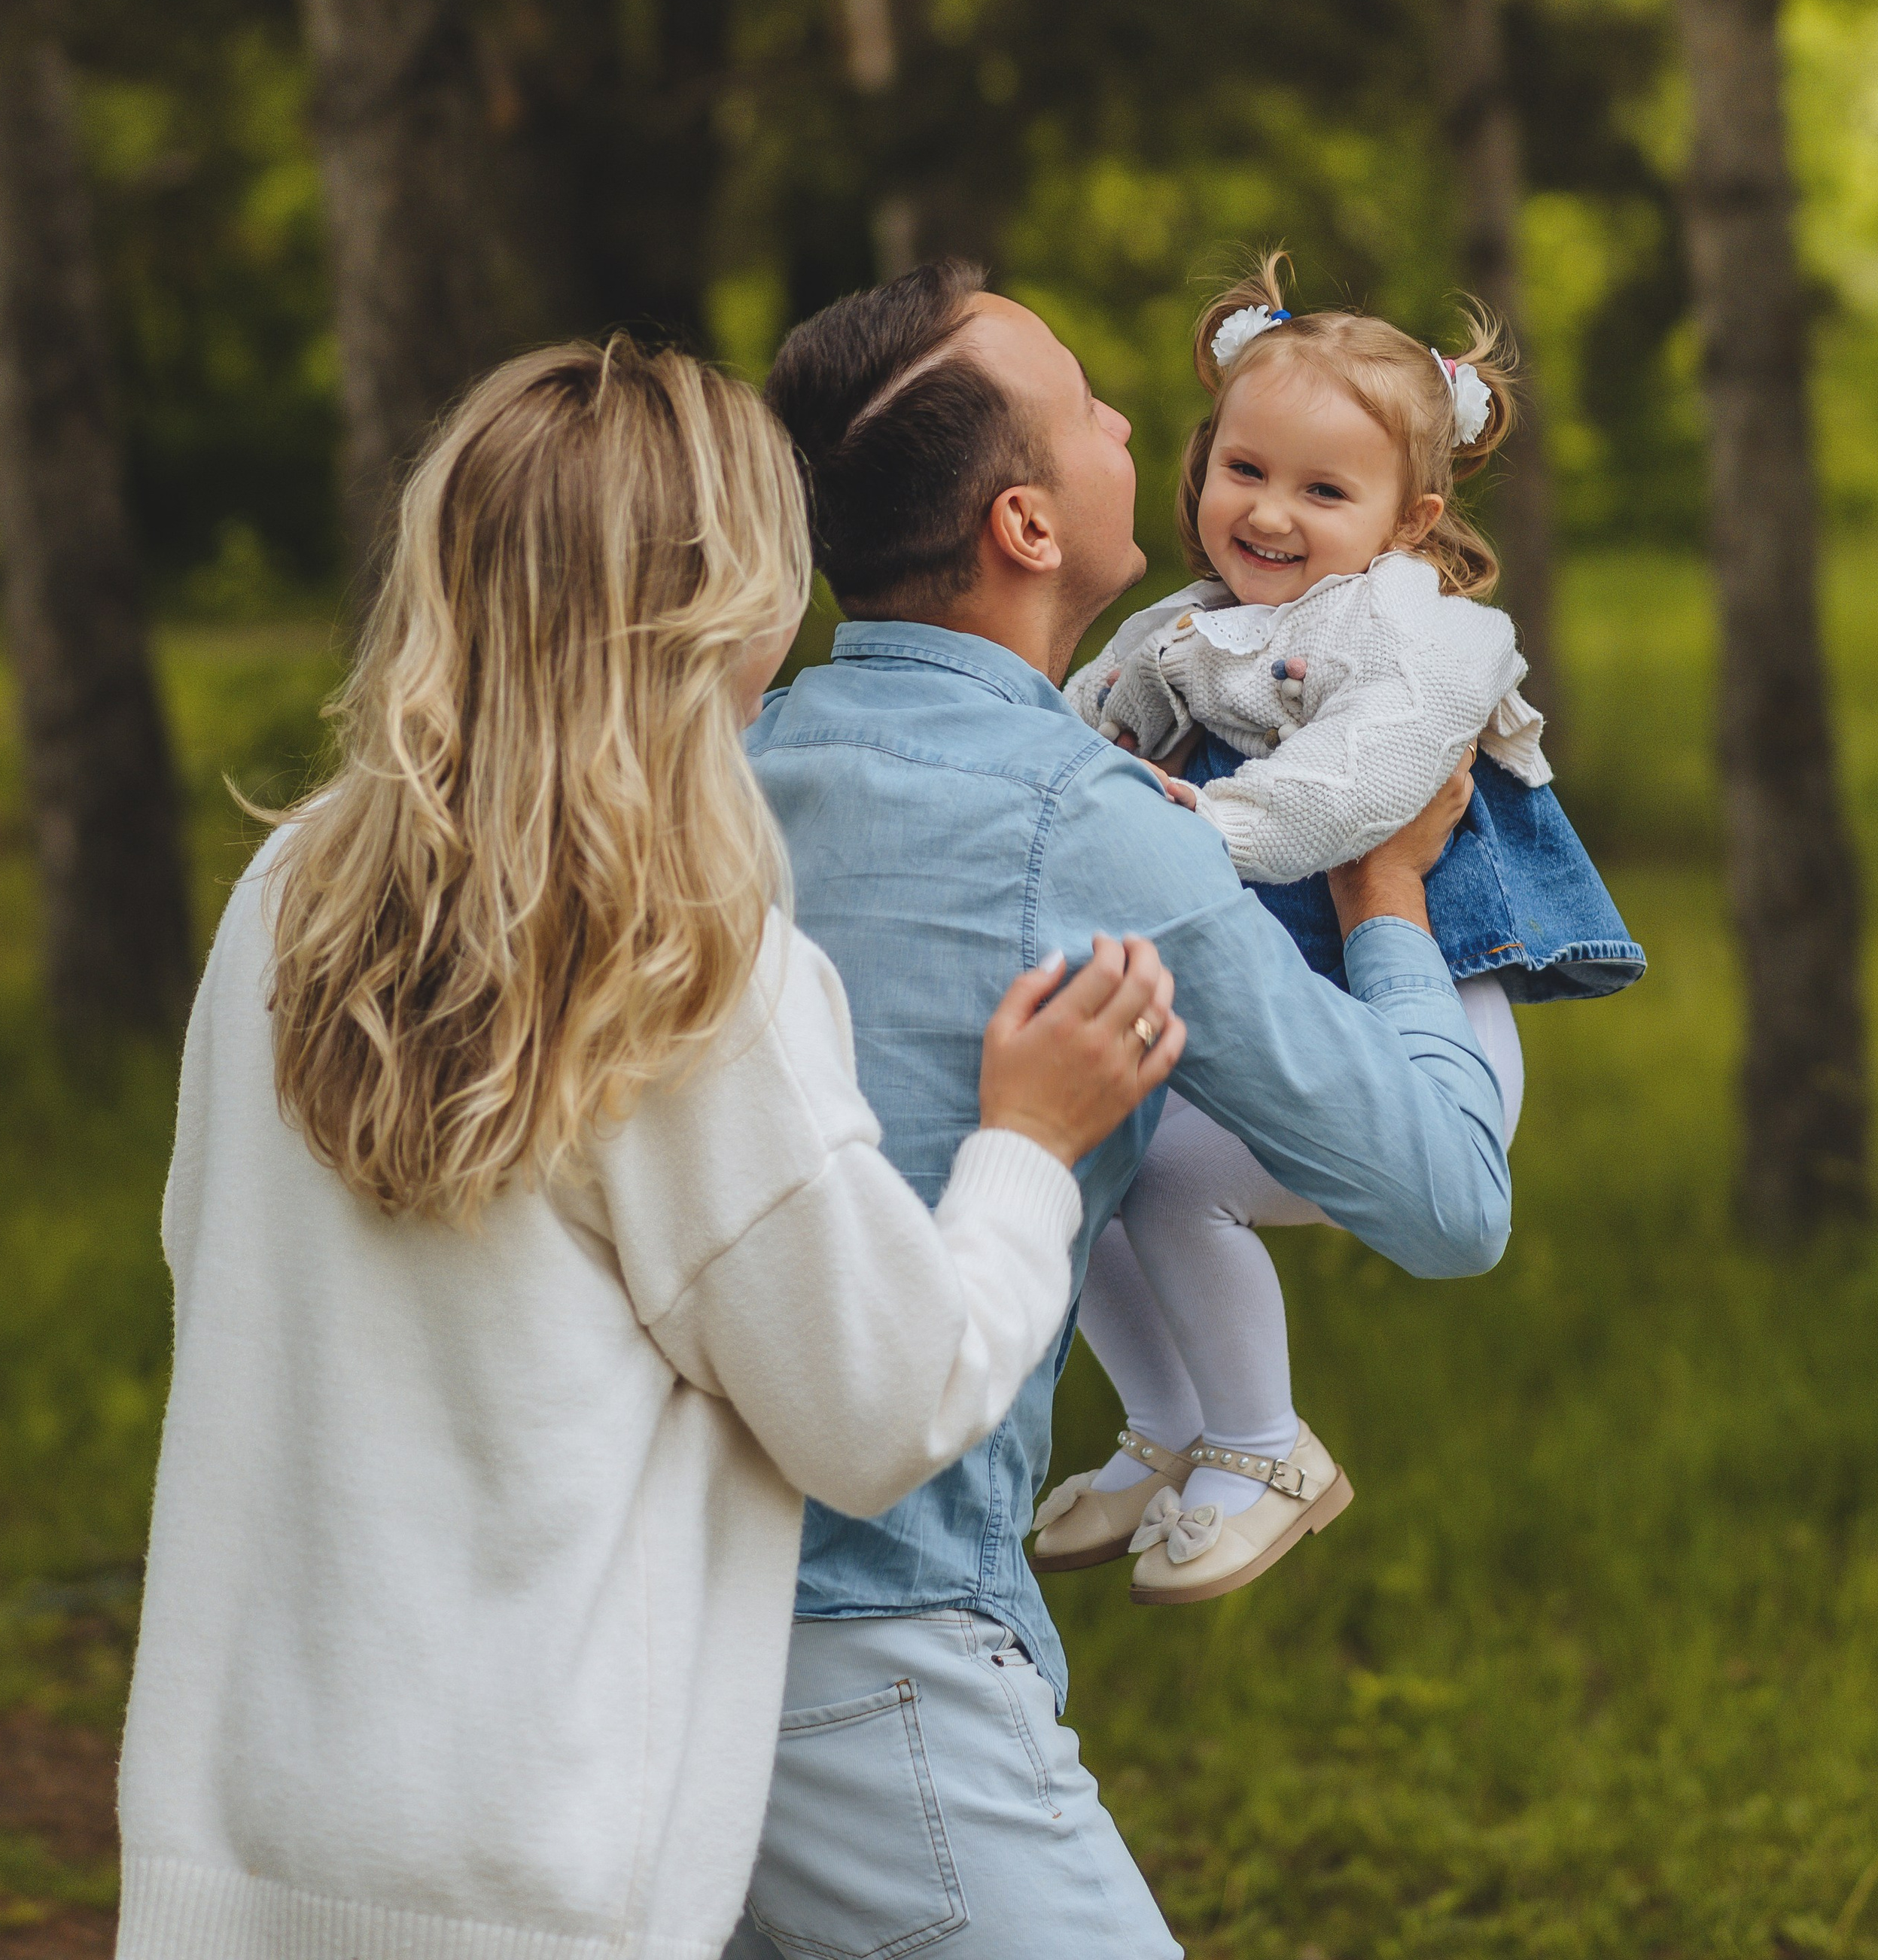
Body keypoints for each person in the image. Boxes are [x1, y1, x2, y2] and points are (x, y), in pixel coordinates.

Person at [114, 338, 1187, 1960]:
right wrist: (1027, 1147)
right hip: (528, 1873)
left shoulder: (294, 892)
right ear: (728, 607)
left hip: (238, 1846)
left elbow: (212, 1254)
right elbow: (883, 1400)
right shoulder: (681, 944)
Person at [729, 260, 1514, 1960]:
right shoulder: (1095, 825)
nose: (1132, 424)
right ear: (1024, 525)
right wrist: (1389, 900)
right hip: (890, 1663)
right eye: (1088, 406)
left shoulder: (731, 766)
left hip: (663, 1634)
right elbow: (1449, 1200)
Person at [1048, 256, 1642, 1605]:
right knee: (1088, 1156)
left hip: (1426, 1027)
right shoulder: (1186, 625)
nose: (1270, 512)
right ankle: (1175, 1427)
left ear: (1407, 517)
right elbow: (1091, 726)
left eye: (1325, 491)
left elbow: (1356, 791)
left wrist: (1189, 834)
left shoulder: (1424, 627)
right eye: (1245, 470)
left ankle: (1265, 1449)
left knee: (1170, 1181)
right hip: (1304, 1008)